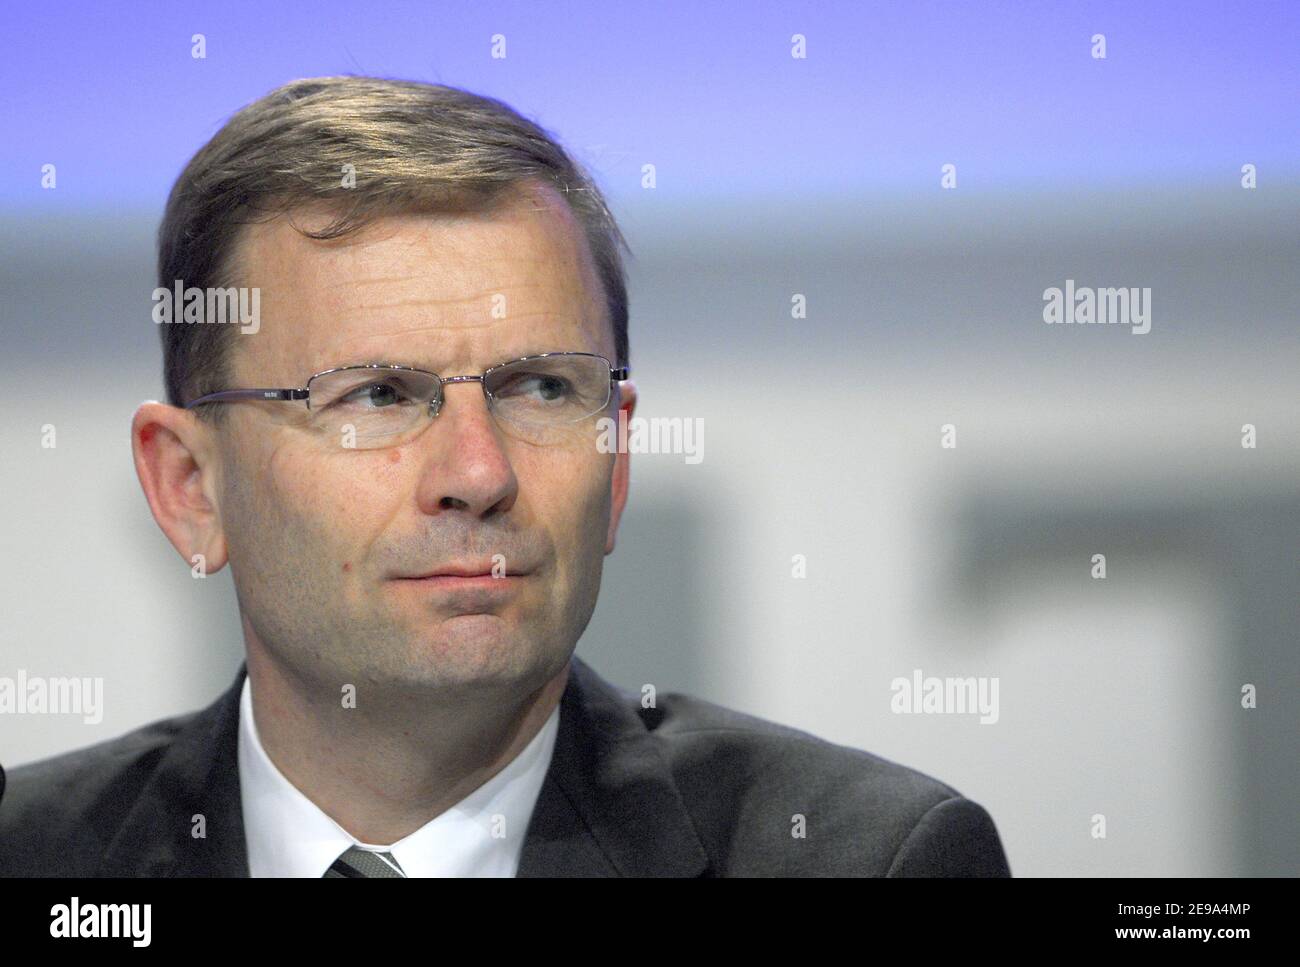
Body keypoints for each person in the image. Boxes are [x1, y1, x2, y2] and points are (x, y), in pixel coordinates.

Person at [0, 76, 1010, 877]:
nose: (478, 475)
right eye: (378, 396)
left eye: (539, 387)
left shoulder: (869, 860)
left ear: (614, 461)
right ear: (190, 487)